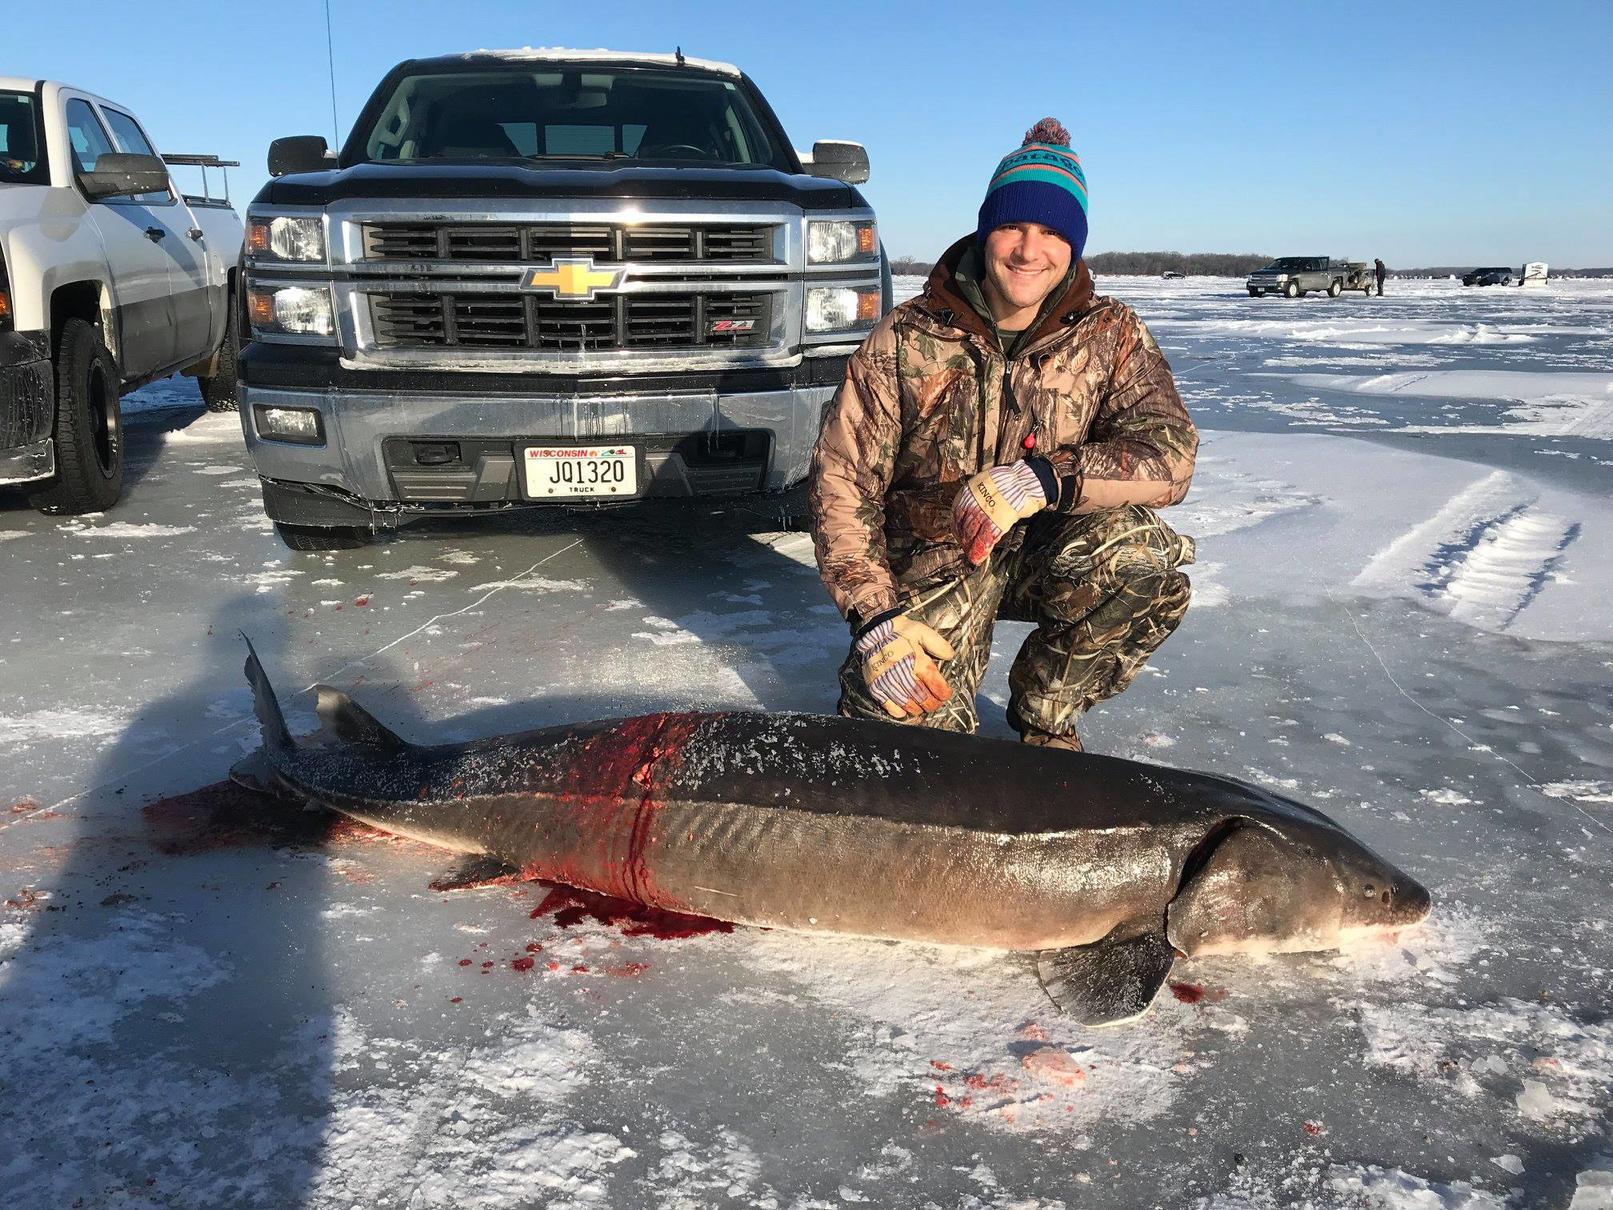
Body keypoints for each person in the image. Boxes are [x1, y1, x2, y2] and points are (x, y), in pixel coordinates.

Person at [809, 119, 1198, 752]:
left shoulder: (1113, 335)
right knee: (903, 735)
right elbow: (841, 482)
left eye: (1051, 231)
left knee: (1143, 560)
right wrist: (876, 620)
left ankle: (1047, 715)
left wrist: (1043, 478)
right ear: (987, 229)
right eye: (1013, 226)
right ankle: (905, 670)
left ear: (1073, 245)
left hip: (1052, 553)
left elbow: (1169, 455)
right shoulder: (905, 338)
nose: (1027, 249)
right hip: (937, 561)